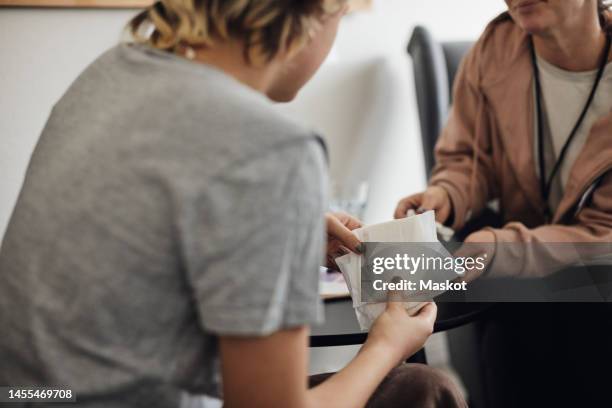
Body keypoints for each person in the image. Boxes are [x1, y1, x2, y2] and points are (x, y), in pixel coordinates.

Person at [0, 1, 466, 407]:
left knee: (421, 390)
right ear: (309, 16)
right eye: (340, 14)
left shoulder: (113, 71)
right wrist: (386, 345)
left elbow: (151, 237)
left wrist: (282, 230)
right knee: (427, 389)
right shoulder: (272, 148)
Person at [395, 1, 611, 407]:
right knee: (514, 323)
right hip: (525, 266)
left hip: (599, 272)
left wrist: (500, 248)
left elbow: (605, 233)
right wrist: (446, 194)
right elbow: (467, 160)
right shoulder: (495, 48)